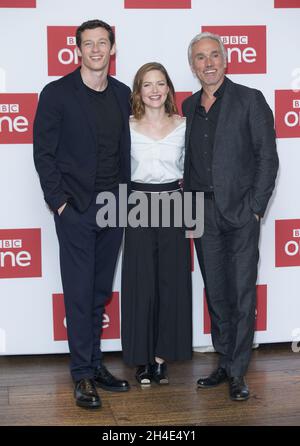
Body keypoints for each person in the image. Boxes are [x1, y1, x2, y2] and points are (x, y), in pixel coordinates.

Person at [33, 19, 131, 409]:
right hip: (75, 208)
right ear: (77, 50)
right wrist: (60, 204)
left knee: (99, 292)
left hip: (115, 208)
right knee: (77, 293)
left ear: (112, 48)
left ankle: (95, 365)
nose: (95, 50)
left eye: (102, 43)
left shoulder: (124, 94)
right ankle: (81, 376)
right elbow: (43, 154)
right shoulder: (56, 94)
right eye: (88, 44)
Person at [182, 32, 279, 401]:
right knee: (217, 294)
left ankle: (238, 372)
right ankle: (225, 361)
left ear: (226, 60)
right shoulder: (188, 107)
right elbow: (186, 165)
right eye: (200, 58)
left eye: (213, 56)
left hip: (240, 214)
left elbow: (267, 159)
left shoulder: (250, 100)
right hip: (202, 214)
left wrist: (255, 208)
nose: (208, 64)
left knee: (241, 294)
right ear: (193, 66)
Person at [121, 62, 192, 386]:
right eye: (147, 84)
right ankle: (142, 359)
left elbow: (192, 173)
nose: (154, 90)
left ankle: (162, 358)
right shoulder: (126, 125)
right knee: (140, 284)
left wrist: (192, 216)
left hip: (173, 203)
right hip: (136, 202)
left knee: (171, 283)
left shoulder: (184, 125)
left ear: (168, 89)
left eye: (160, 83)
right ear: (138, 91)